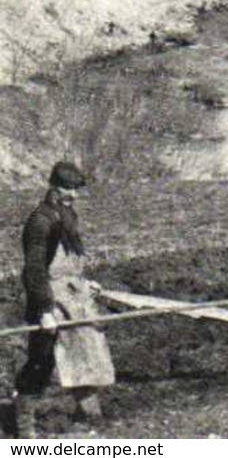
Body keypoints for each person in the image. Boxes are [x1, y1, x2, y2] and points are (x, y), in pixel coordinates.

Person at [8, 161, 114, 439]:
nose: (73, 194)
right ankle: (24, 425)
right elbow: (34, 269)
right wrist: (44, 310)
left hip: (74, 296)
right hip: (49, 299)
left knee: (84, 346)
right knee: (41, 361)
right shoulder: (40, 221)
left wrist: (84, 282)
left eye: (76, 189)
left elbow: (68, 259)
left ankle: (89, 414)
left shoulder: (68, 216)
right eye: (67, 188)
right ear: (52, 185)